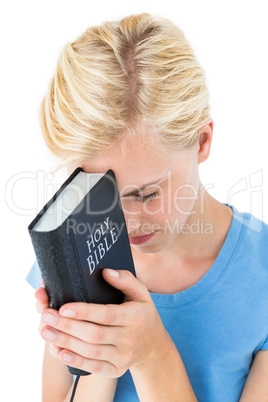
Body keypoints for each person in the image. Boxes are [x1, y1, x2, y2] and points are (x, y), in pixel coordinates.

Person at [26, 12, 268, 402]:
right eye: (100, 194)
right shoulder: (75, 250)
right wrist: (100, 349)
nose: (126, 219)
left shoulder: (262, 275)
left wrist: (151, 354)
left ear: (202, 142)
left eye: (147, 194)